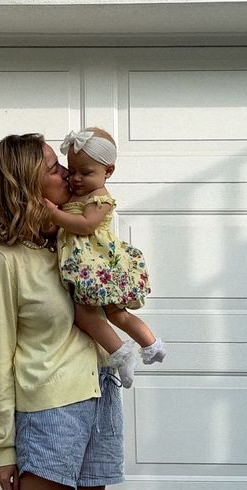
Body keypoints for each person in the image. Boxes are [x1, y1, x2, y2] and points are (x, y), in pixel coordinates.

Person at [0, 133, 124, 490]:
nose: (66, 171)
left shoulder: (75, 243)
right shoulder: (5, 260)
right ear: (27, 185)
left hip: (101, 398)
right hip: (50, 413)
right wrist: (5, 448)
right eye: (52, 167)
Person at [44, 128, 165, 389]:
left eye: (85, 173)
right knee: (101, 315)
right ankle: (134, 351)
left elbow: (86, 225)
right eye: (72, 170)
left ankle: (142, 347)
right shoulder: (76, 194)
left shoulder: (100, 198)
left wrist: (54, 214)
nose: (75, 178)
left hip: (98, 266)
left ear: (107, 171)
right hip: (85, 267)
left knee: (104, 315)